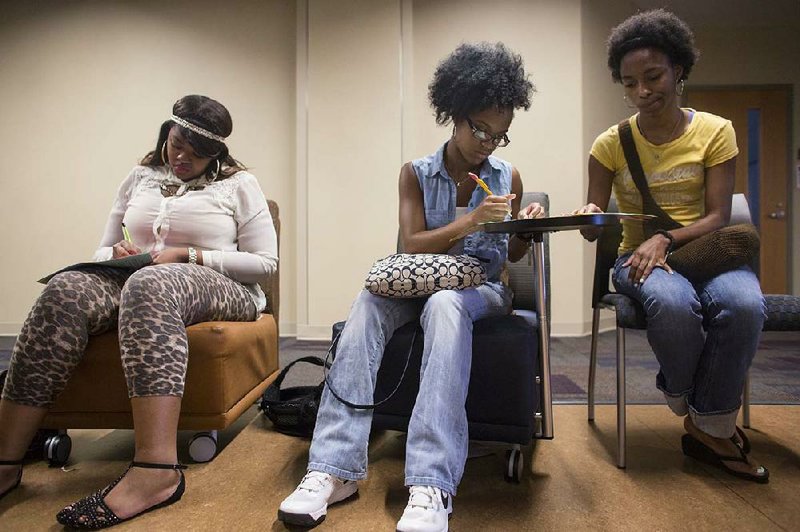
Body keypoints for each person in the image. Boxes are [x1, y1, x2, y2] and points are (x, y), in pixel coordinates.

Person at [278, 42, 542, 531]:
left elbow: (514, 257)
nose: (487, 143)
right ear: (455, 114)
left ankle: (432, 483)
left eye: (499, 135)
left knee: (445, 304)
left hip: (480, 289)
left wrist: (525, 227)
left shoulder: (508, 176)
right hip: (420, 279)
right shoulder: (416, 174)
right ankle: (332, 469)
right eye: (479, 129)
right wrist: (471, 221)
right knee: (368, 299)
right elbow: (412, 244)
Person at [0, 95, 278, 527]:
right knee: (65, 289)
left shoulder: (240, 185)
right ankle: (6, 458)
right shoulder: (140, 177)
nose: (181, 157)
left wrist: (189, 255)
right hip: (138, 275)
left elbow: (265, 264)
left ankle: (156, 472)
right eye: (175, 144)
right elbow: (103, 245)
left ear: (216, 154)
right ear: (166, 134)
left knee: (151, 283)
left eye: (196, 152)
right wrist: (115, 250)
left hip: (226, 287)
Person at [575, 9, 768, 482]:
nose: (642, 91)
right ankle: (701, 411)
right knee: (671, 301)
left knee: (746, 304)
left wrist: (666, 238)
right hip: (635, 257)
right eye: (629, 82)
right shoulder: (610, 144)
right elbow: (594, 222)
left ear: (679, 69)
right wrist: (588, 220)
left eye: (653, 76)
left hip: (702, 251)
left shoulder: (716, 131)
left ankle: (706, 423)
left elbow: (718, 216)